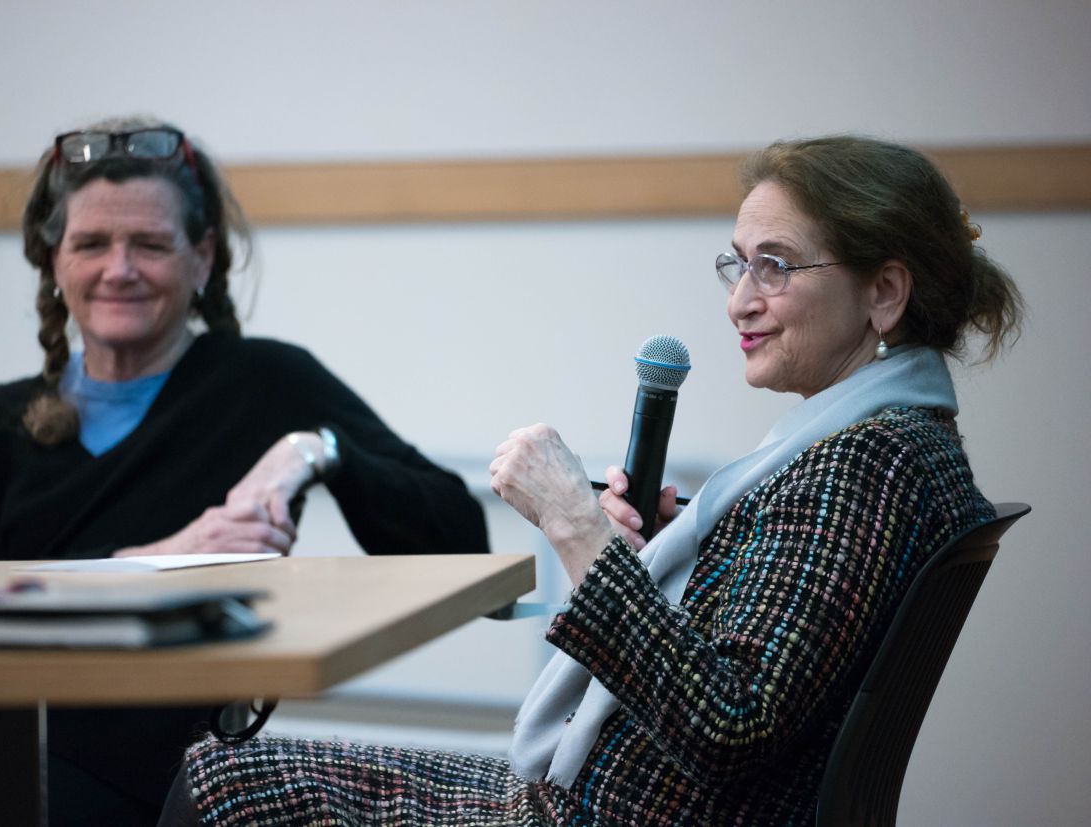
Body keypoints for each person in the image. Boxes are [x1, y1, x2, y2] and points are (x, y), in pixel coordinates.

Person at [158, 134, 1022, 826]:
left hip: (611, 810)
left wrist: (578, 525)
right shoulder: (902, 442)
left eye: (777, 266)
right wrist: (673, 555)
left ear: (885, 293)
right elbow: (764, 654)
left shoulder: (868, 461)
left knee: (224, 776)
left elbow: (728, 723)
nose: (740, 302)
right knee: (230, 768)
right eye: (738, 263)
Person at [0, 116, 488, 826]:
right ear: (55, 260)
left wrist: (316, 448)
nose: (118, 269)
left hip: (124, 768)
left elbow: (458, 531)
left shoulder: (263, 385)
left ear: (203, 256)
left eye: (149, 244)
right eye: (91, 243)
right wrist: (161, 559)